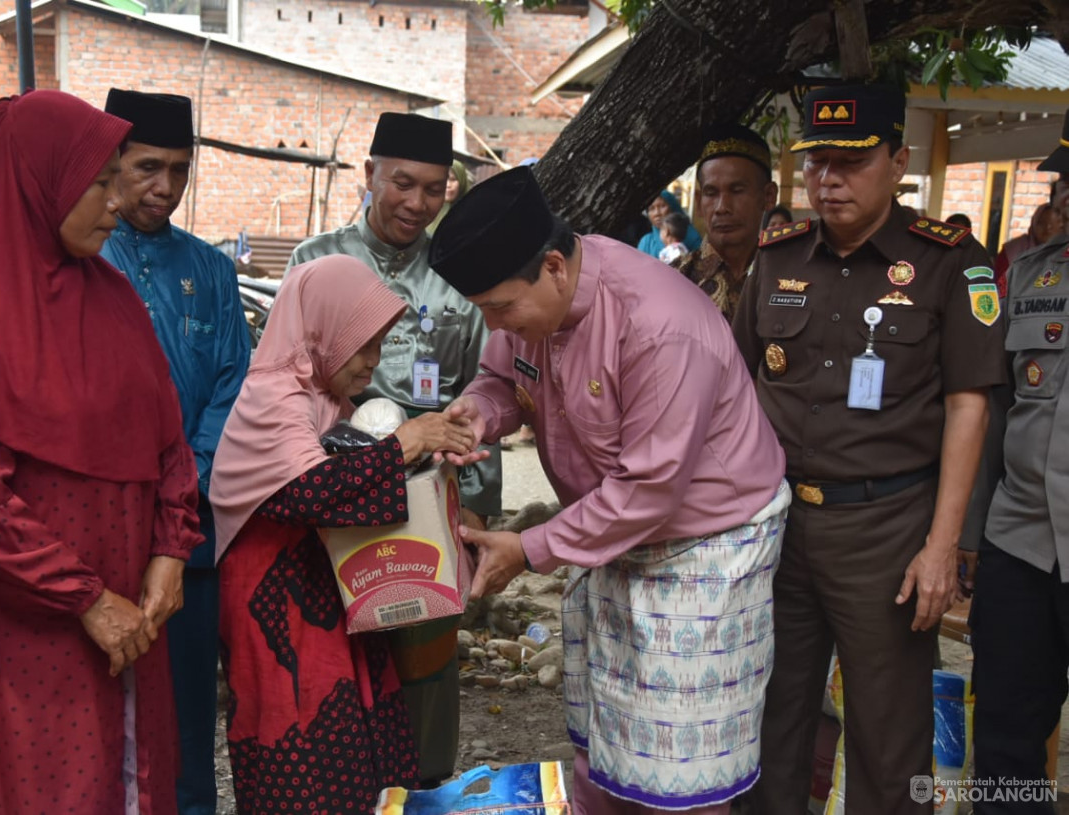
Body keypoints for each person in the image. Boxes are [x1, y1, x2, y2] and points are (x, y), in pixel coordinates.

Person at [431, 166, 790, 814]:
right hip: (608, 531)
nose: (497, 323)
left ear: (555, 268)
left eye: (501, 308)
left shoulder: (657, 323)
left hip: (704, 549)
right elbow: (500, 379)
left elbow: (649, 490)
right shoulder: (523, 309)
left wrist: (529, 547)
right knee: (607, 734)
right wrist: (475, 415)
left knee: (680, 760)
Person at [0, 90, 203, 814]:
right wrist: (89, 601)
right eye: (97, 183)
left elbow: (169, 443)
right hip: (27, 638)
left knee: (132, 781)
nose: (116, 203)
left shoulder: (116, 299)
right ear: (36, 182)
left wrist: (169, 551)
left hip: (133, 619)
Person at [732, 83, 1006, 814]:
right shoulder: (778, 254)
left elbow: (968, 407)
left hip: (887, 530)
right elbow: (733, 385)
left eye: (851, 162)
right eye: (819, 162)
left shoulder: (950, 262)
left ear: (899, 161)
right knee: (769, 724)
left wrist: (943, 544)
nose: (830, 179)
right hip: (779, 526)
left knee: (890, 741)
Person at [209, 254, 479, 813]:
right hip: (277, 609)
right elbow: (310, 492)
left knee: (360, 746)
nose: (373, 363)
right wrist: (404, 443)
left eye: (380, 346)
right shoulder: (274, 395)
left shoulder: (326, 397)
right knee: (304, 751)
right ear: (322, 328)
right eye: (364, 346)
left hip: (325, 597)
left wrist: (431, 461)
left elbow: (359, 483)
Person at [287, 111, 501, 786]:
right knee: (330, 667)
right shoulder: (314, 262)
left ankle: (426, 790)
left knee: (425, 674)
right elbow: (282, 391)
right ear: (370, 173)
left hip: (426, 515)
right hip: (328, 506)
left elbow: (478, 399)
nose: (416, 202)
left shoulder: (459, 279)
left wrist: (477, 513)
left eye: (434, 189)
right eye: (402, 182)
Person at [99, 88, 249, 815]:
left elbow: (231, 384)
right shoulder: (84, 256)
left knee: (188, 712)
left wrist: (184, 484)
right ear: (111, 162)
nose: (165, 188)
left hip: (188, 528)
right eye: (147, 166)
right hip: (98, 531)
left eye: (180, 170)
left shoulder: (212, 272)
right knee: (98, 714)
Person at [970, 116, 1069, 813]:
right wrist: (972, 534)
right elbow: (994, 415)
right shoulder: (1035, 274)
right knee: (1006, 735)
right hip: (1022, 544)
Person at [675, 124, 778, 321]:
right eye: (711, 193)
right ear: (698, 202)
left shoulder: (789, 277)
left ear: (768, 196)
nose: (722, 207)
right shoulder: (672, 280)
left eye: (737, 190)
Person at [995, 203, 1064, 284]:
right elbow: (998, 285)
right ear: (1033, 224)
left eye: (1053, 225)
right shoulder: (1012, 251)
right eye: (1041, 223)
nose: (1047, 229)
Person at [638, 189, 701, 258]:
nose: (657, 213)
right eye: (651, 208)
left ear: (672, 207)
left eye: (662, 206)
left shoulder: (691, 237)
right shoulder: (646, 242)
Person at [427, 159, 470, 235]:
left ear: (461, 181)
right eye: (444, 180)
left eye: (453, 180)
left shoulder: (467, 213)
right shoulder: (428, 208)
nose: (448, 185)